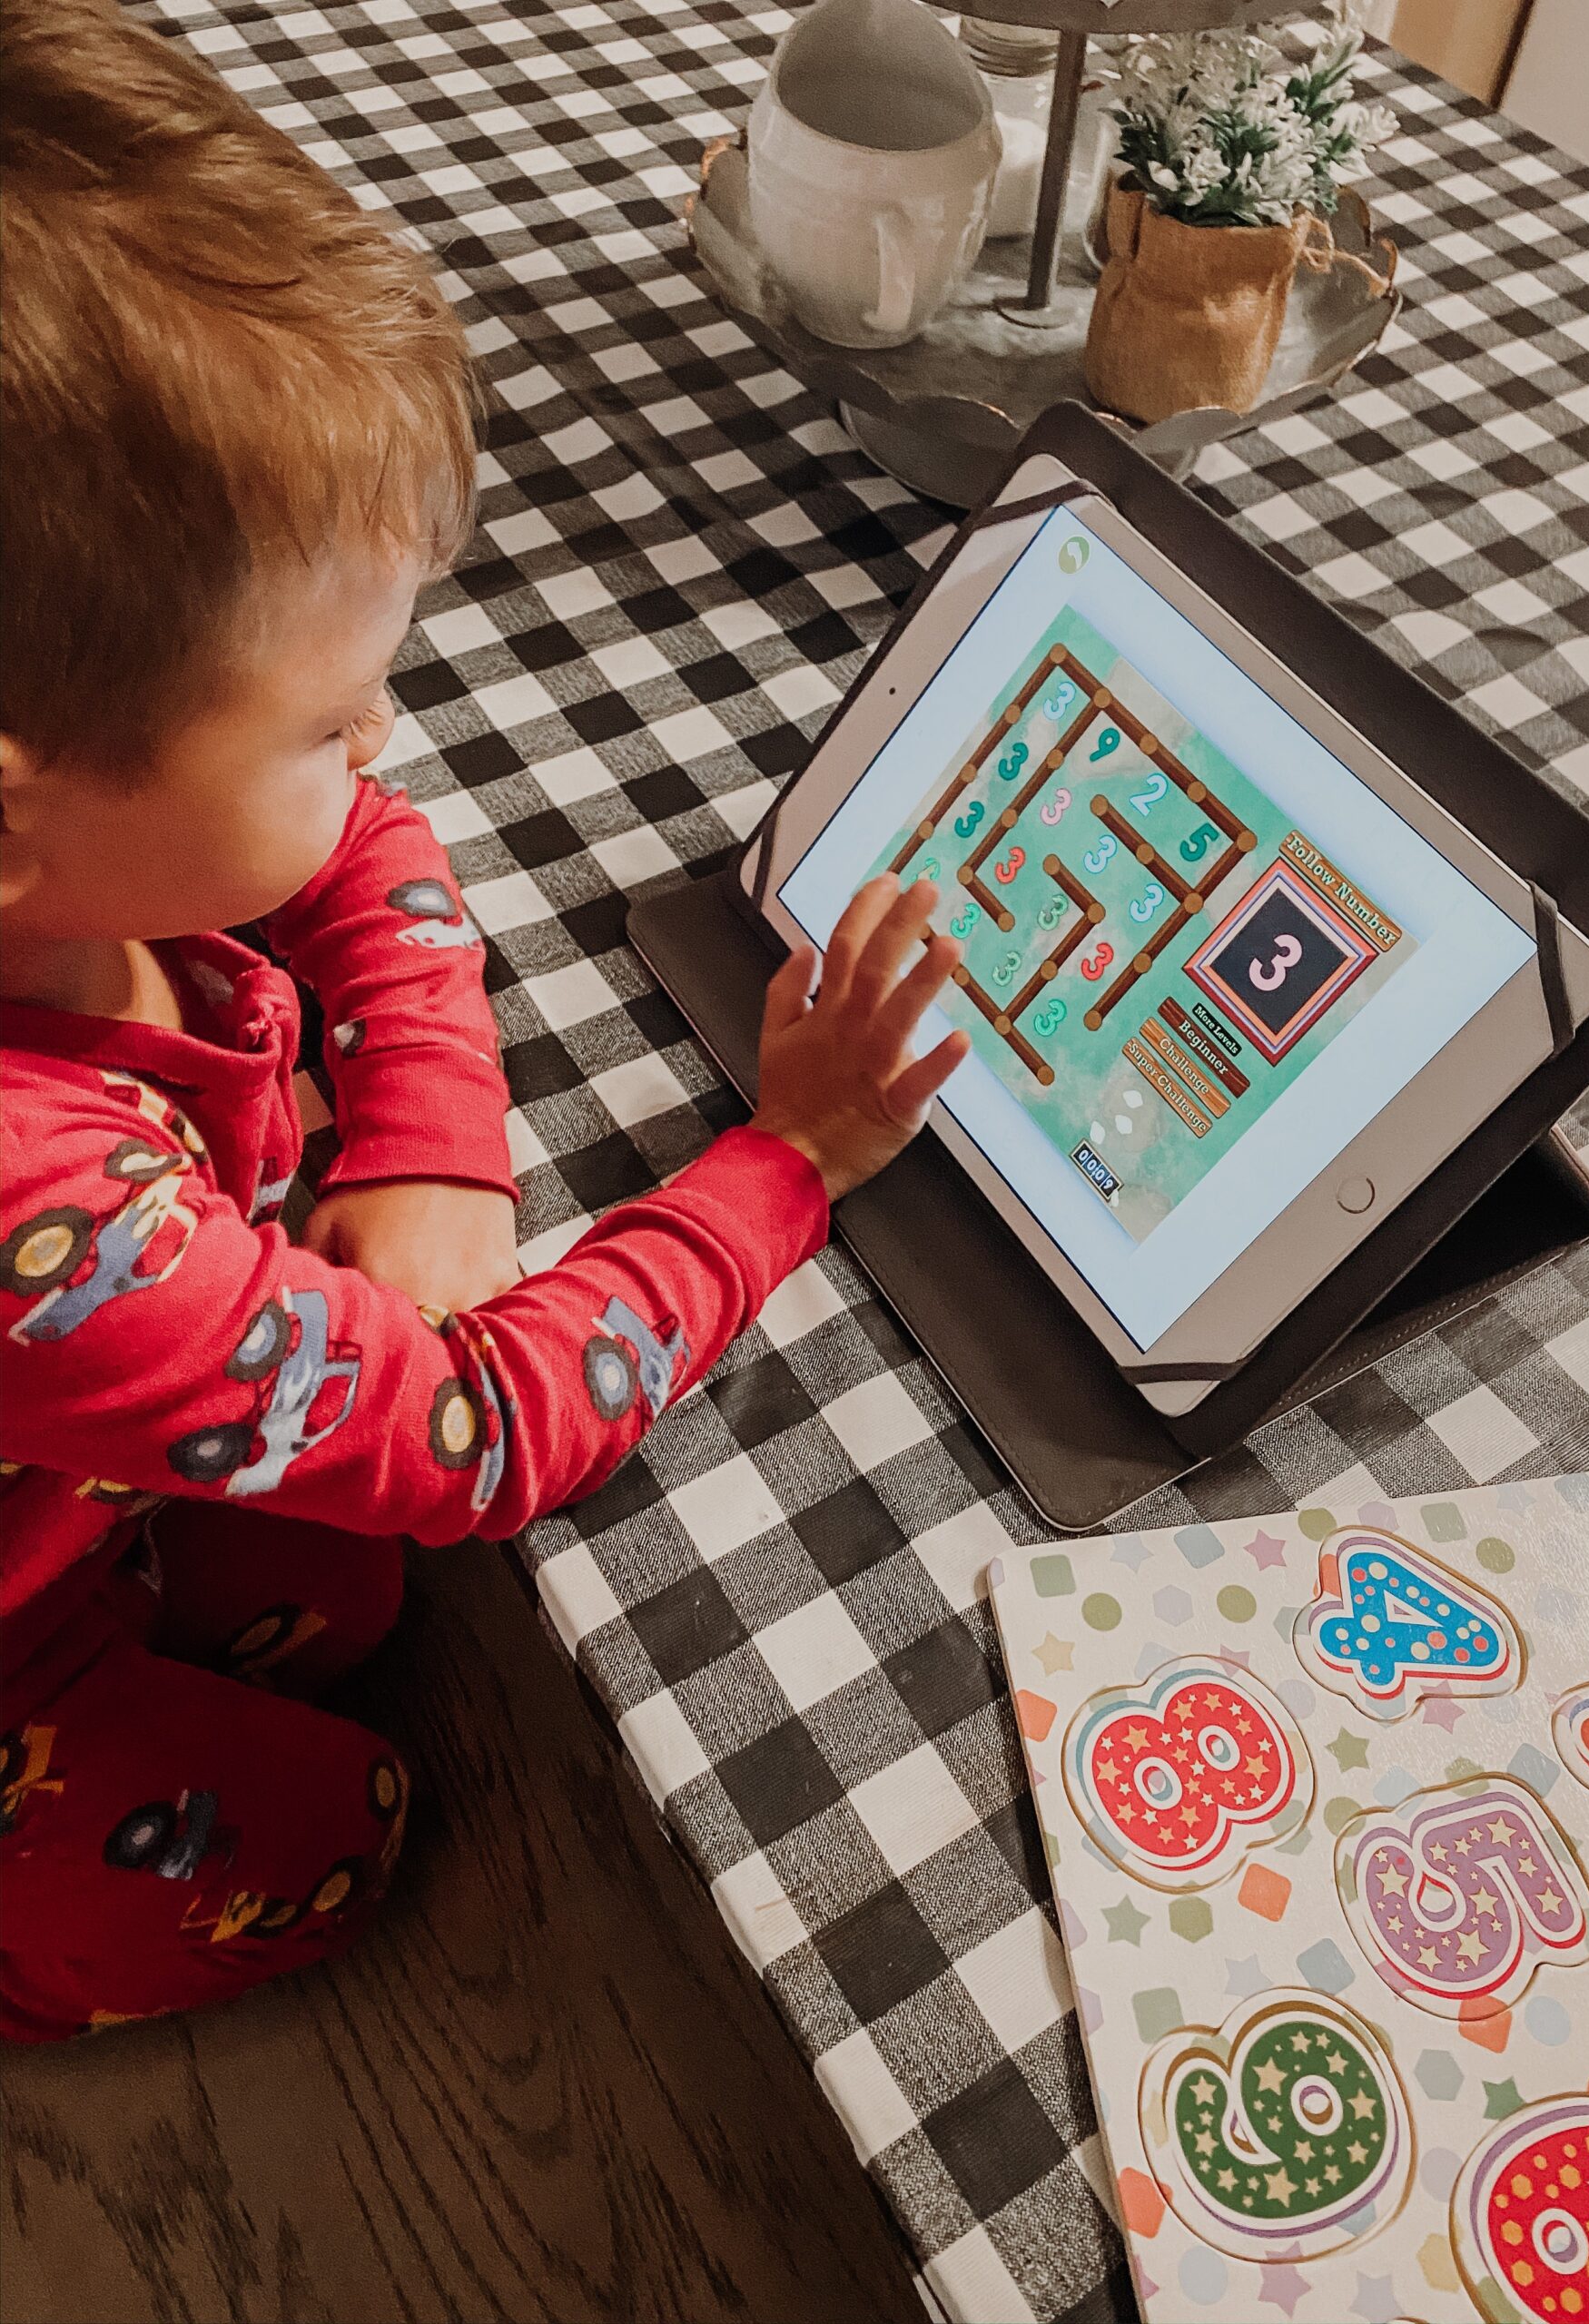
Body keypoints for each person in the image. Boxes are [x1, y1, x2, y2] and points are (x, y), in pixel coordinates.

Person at [0, 0, 968, 2043]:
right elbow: (481, 1434)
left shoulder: (76, 866)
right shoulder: (45, 1219)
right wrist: (788, 1157)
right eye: (319, 713)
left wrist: (432, 1125)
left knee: (331, 1591)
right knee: (340, 1816)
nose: (383, 744)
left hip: (102, 1459)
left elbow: (362, 852)